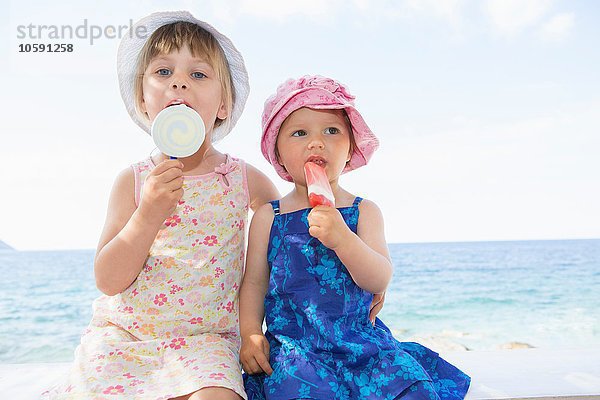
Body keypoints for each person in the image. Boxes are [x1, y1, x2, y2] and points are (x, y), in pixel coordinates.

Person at [43, 11, 279, 400]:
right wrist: (148, 213)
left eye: (198, 75)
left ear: (223, 105)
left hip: (207, 341)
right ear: (143, 101)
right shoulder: (133, 182)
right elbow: (108, 279)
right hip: (126, 336)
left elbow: (290, 236)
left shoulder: (243, 179)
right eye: (164, 73)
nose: (180, 82)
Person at [239, 75, 471, 399]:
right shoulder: (269, 216)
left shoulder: (364, 211)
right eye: (299, 132)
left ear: (351, 149)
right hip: (297, 353)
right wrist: (250, 332)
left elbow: (379, 278)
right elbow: (254, 284)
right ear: (277, 152)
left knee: (412, 389)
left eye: (332, 131)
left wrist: (342, 239)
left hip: (365, 347)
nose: (316, 142)